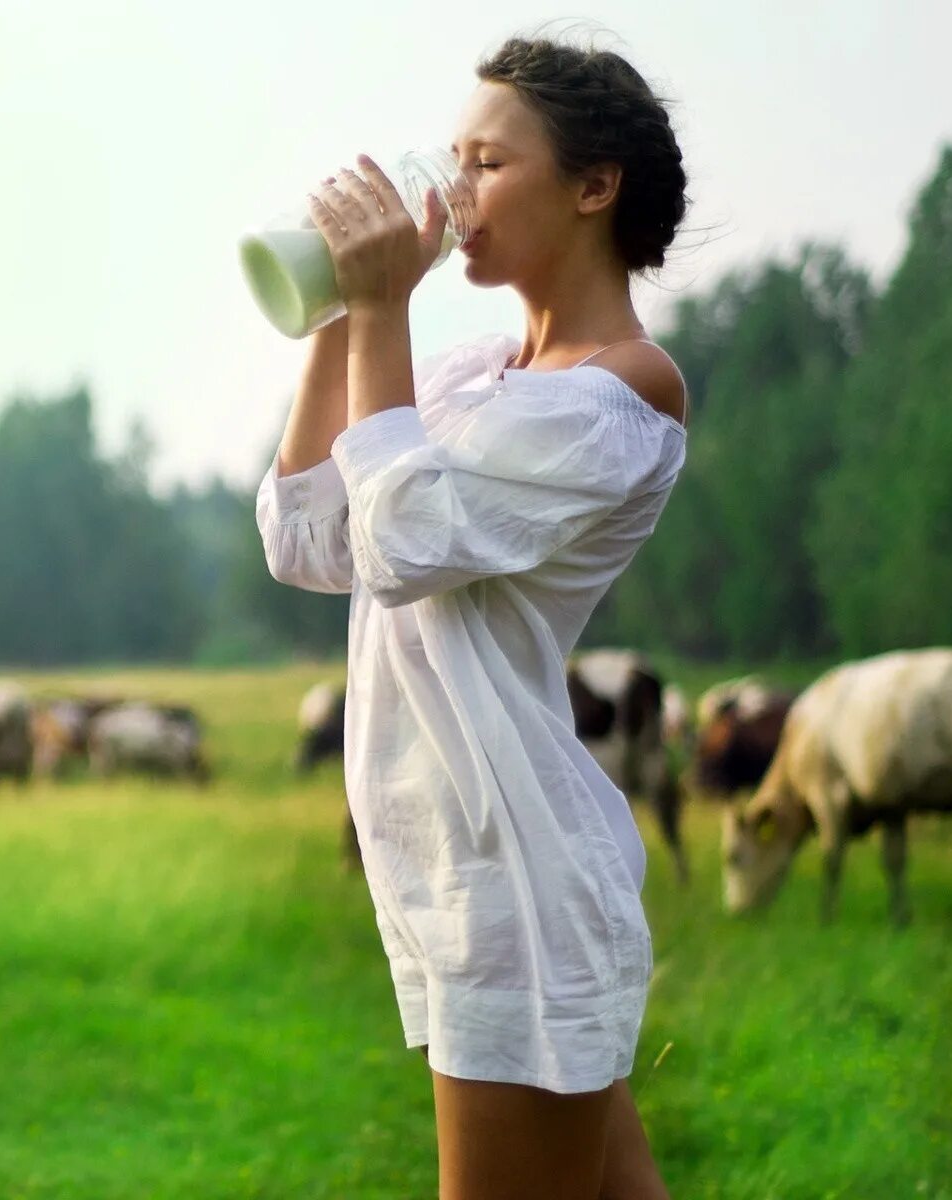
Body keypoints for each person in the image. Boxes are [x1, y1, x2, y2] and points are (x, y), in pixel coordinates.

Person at [253, 33, 691, 1200]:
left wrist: (384, 306)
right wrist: (344, 310)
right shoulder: (465, 378)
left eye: (488, 164)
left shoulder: (626, 389)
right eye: (454, 160)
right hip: (467, 871)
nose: (457, 188)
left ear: (595, 187)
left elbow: (404, 543)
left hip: (517, 882)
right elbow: (311, 540)